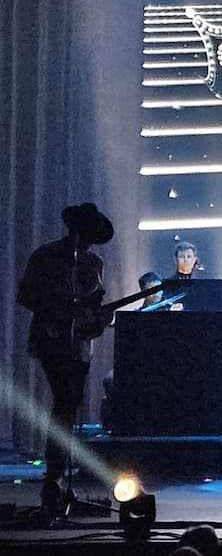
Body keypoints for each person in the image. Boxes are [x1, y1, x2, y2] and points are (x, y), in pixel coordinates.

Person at [16, 202, 115, 516]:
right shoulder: (46, 255)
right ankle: (55, 473)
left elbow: (96, 304)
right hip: (51, 339)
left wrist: (98, 318)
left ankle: (58, 474)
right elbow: (26, 295)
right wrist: (58, 310)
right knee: (65, 399)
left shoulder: (93, 262)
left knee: (70, 402)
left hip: (80, 343)